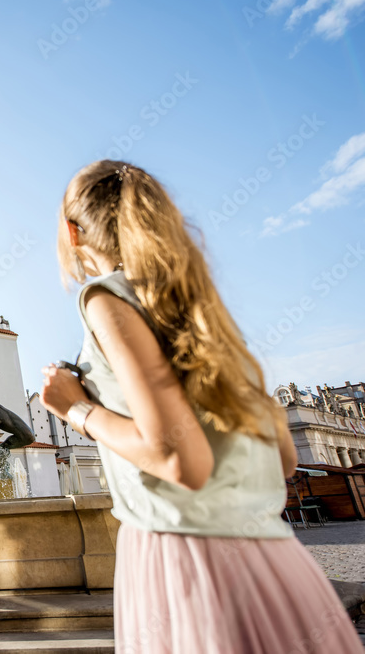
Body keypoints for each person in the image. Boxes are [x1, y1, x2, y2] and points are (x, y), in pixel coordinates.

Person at [39, 160, 363, 653]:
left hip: (185, 556)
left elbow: (180, 461)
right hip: (276, 559)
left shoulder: (105, 298)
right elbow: (284, 458)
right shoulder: (202, 310)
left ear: (72, 231)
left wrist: (76, 408)